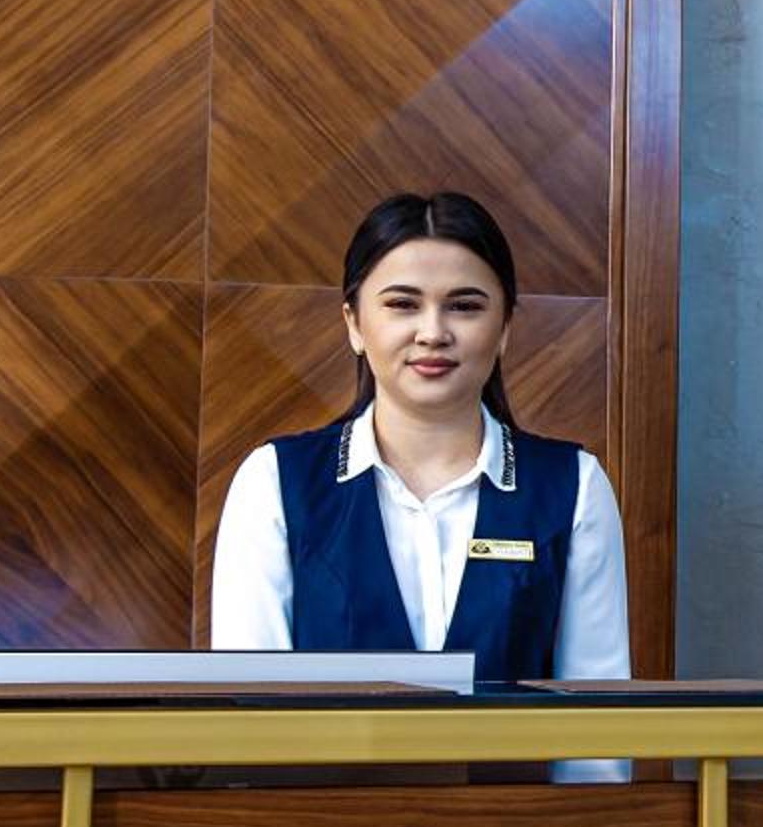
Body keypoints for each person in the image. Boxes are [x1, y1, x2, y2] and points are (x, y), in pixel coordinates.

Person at [212, 191, 629, 681]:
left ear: (504, 329)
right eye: (403, 304)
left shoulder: (573, 486)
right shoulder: (275, 483)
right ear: (354, 323)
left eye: (464, 306)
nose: (433, 332)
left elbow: (597, 709)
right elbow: (248, 706)